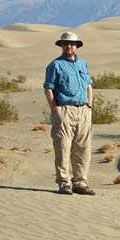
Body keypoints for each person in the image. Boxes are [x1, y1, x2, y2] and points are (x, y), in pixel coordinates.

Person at [43, 31, 95, 195]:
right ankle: (64, 183)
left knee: (83, 148)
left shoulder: (83, 64)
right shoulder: (55, 65)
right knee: (63, 147)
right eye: (65, 44)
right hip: (64, 109)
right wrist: (55, 108)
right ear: (61, 46)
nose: (69, 46)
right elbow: (48, 87)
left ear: (77, 46)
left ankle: (80, 182)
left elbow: (89, 86)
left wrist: (89, 105)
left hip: (83, 110)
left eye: (72, 44)